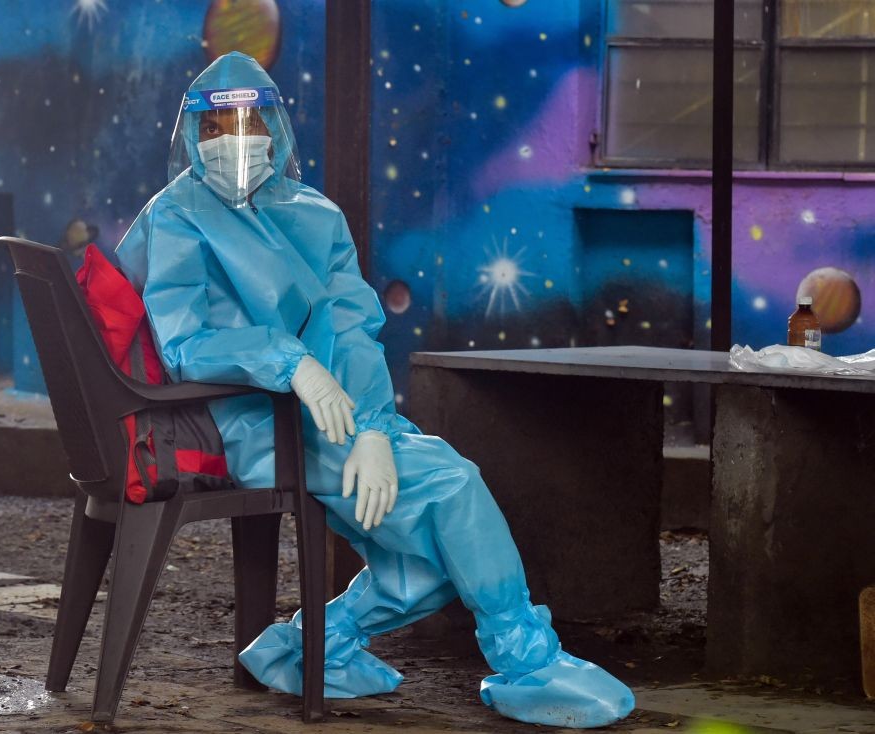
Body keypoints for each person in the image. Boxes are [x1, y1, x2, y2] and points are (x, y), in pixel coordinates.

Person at [115, 51, 634, 728]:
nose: (237, 142)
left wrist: (373, 431)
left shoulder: (316, 216)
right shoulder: (177, 217)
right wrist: (291, 364)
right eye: (218, 128)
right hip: (247, 421)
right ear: (192, 136)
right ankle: (525, 662)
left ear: (276, 127)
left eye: (251, 121)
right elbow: (184, 344)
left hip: (332, 417)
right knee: (453, 489)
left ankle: (309, 647)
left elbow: (354, 329)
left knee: (439, 548)